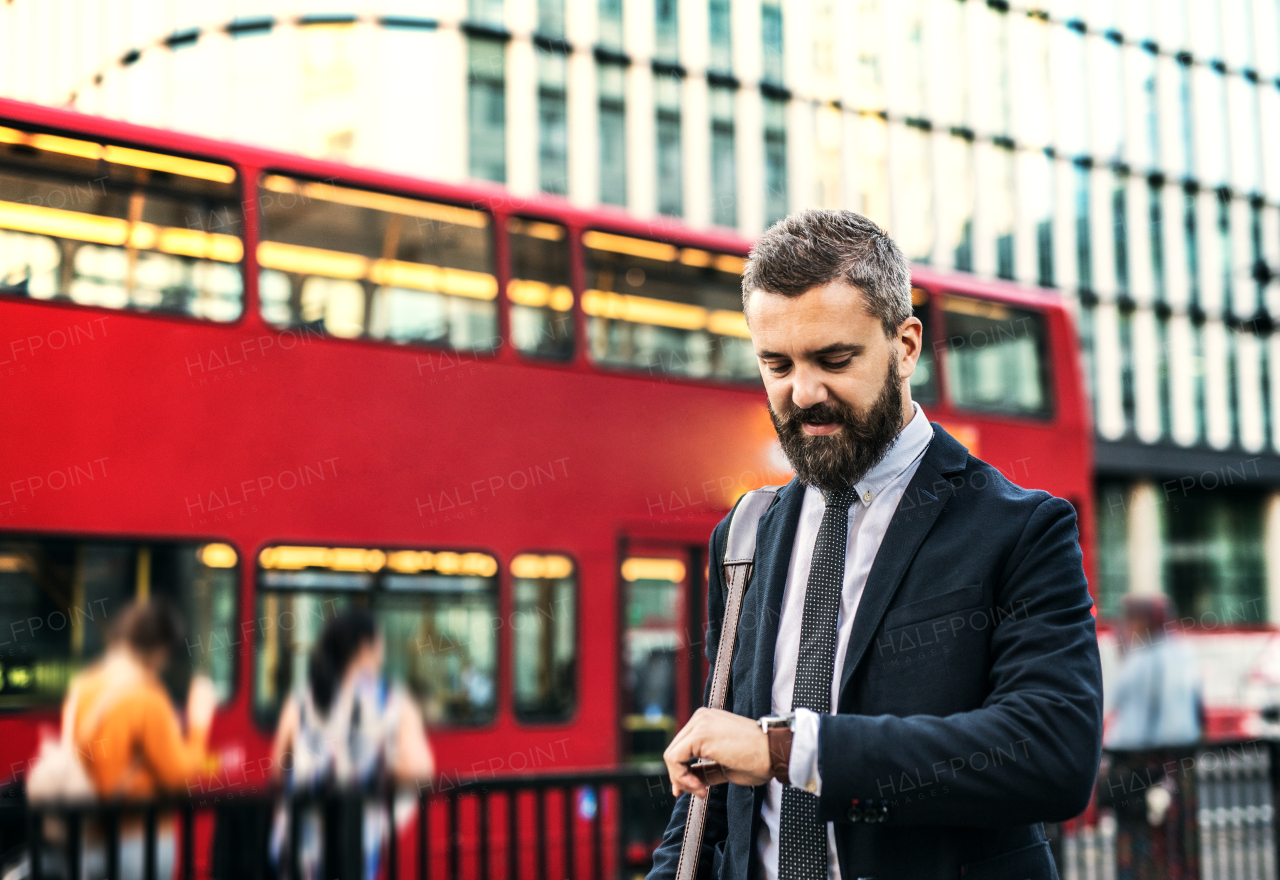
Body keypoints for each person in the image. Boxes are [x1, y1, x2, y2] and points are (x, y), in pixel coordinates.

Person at [649, 210, 1103, 880]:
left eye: (834, 360)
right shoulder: (743, 533)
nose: (802, 393)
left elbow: (1052, 754)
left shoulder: (1021, 528)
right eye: (776, 364)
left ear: (907, 345)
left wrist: (789, 750)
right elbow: (713, 781)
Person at [51, 598, 215, 880]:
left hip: (87, 841)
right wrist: (199, 725)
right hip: (139, 841)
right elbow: (178, 775)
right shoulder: (147, 697)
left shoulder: (84, 686)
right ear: (158, 648)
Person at [268, 607, 434, 880]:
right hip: (355, 839)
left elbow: (276, 770)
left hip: (298, 841)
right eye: (380, 643)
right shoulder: (391, 701)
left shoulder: (301, 699)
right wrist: (375, 768)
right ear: (366, 646)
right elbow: (420, 769)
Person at [1099, 594, 1202, 880]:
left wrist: (1122, 653)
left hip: (1141, 767)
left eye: (1130, 619)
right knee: (1177, 847)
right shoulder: (1182, 651)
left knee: (1139, 848)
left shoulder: (1141, 659)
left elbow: (1115, 702)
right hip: (1178, 767)